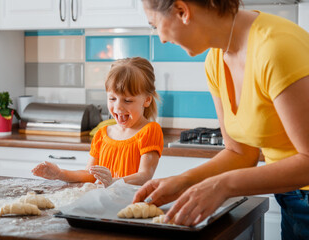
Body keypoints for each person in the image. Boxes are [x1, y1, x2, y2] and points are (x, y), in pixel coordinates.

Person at [133, 0, 309, 238]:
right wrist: (183, 181)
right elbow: (239, 152)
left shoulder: (276, 48)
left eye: (154, 24)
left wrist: (222, 185)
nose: (161, 38)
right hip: (292, 197)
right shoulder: (215, 60)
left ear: (182, 11)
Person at [32, 57, 164, 187]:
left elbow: (145, 175)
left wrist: (114, 182)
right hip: (104, 204)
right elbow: (89, 175)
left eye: (128, 100)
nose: (118, 107)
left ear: (147, 100)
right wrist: (59, 174)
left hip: (131, 205)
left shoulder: (149, 130)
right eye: (112, 98)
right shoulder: (102, 134)